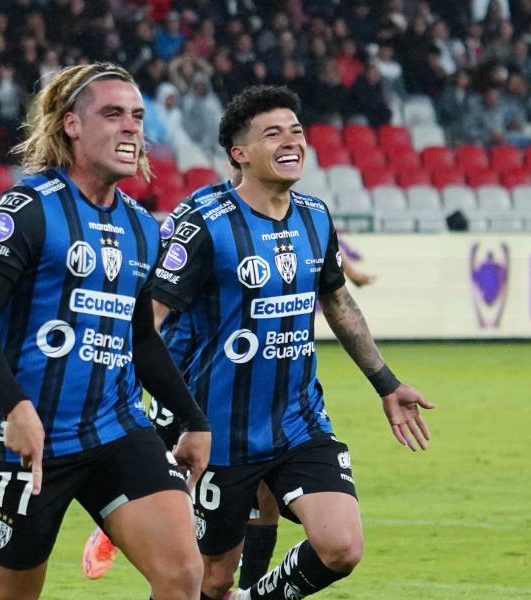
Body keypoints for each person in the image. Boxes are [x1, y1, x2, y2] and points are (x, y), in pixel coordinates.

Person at [151, 85, 435, 600]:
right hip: (217, 431)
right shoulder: (201, 222)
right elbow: (149, 318)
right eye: (273, 133)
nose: (291, 142)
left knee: (341, 546)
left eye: (297, 131)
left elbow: (338, 303)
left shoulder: (314, 215)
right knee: (211, 579)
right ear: (239, 153)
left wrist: (386, 385)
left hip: (297, 422)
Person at [0, 62, 211, 600]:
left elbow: (140, 340)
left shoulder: (142, 225)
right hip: (33, 441)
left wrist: (193, 418)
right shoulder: (26, 209)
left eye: (137, 116)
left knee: (183, 576)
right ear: (71, 125)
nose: (131, 128)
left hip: (117, 429)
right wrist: (16, 410)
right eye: (113, 114)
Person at [83, 174, 280, 589]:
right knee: (180, 471)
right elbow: (153, 307)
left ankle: (249, 588)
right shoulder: (202, 216)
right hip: (189, 375)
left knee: (263, 489)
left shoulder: (282, 214)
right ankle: (116, 522)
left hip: (243, 380)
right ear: (239, 155)